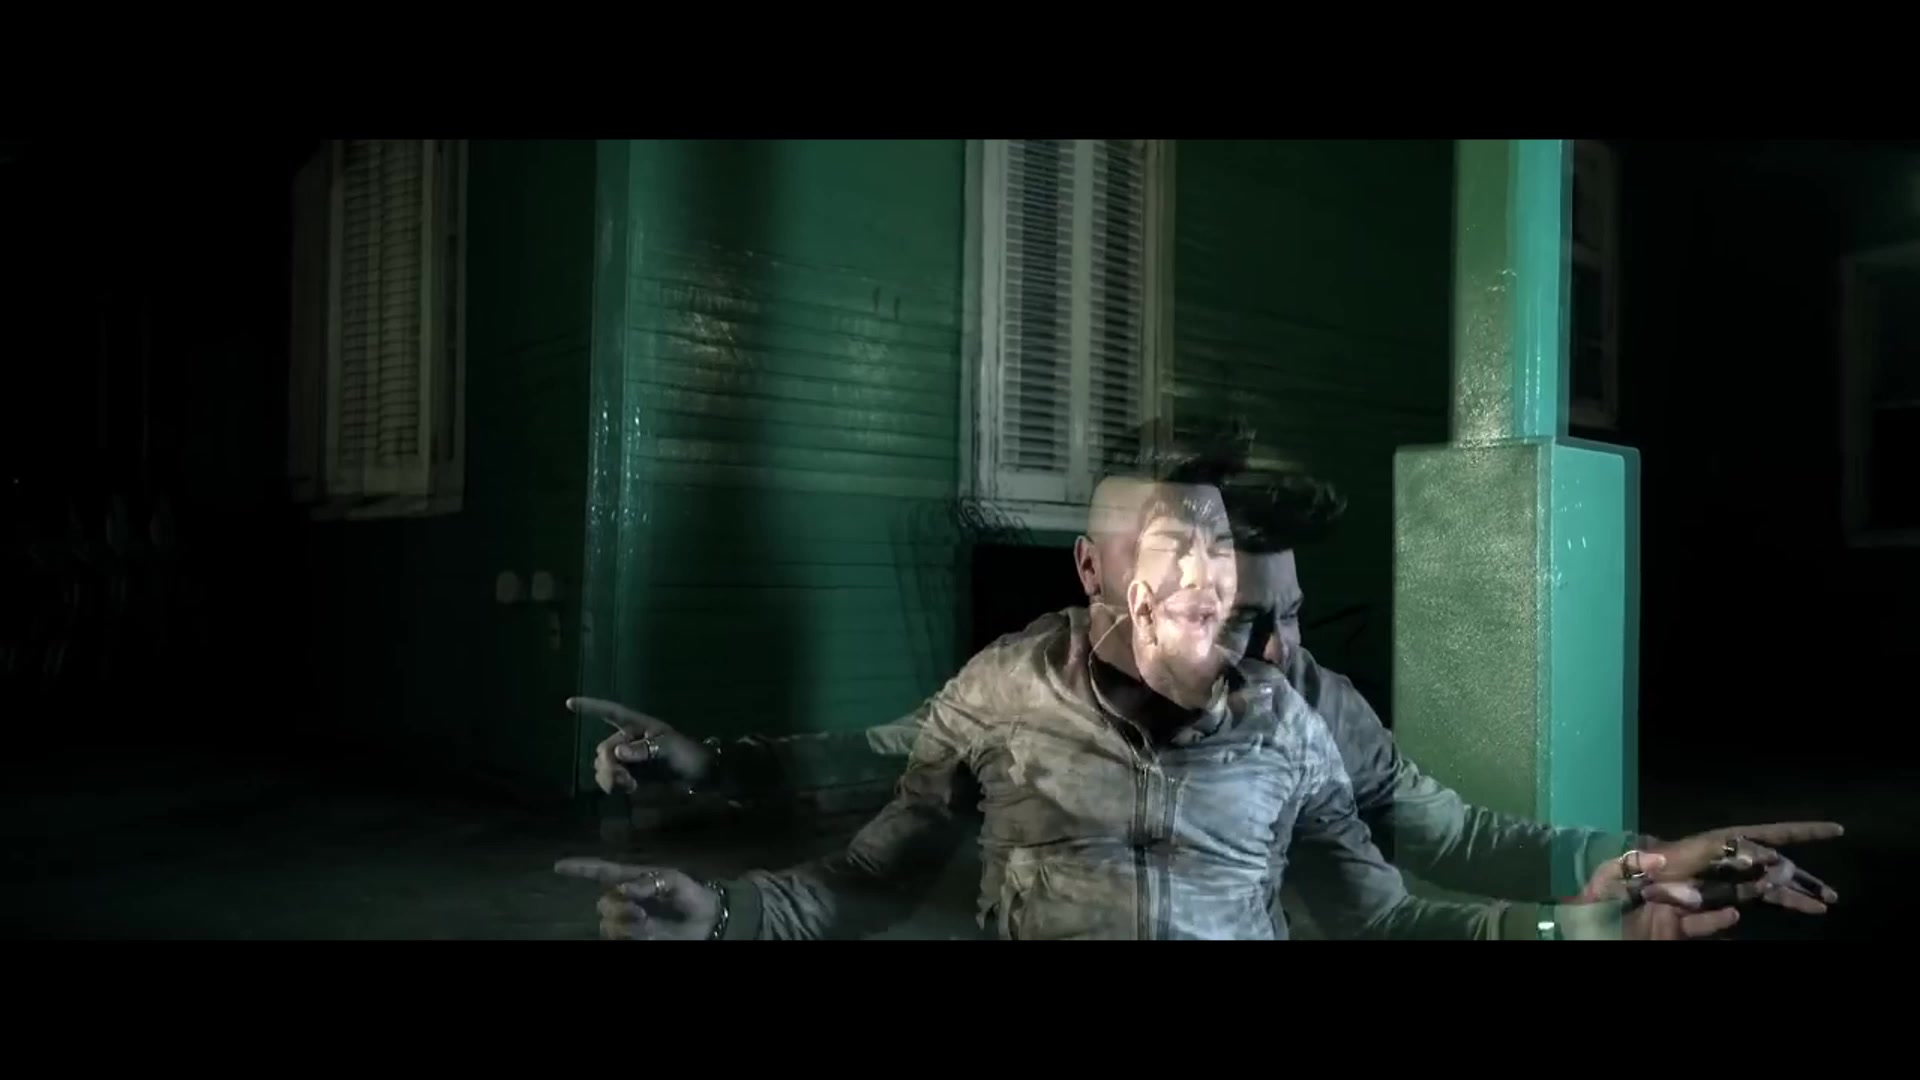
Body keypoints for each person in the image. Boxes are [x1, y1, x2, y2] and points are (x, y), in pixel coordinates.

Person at [555, 464, 1748, 940]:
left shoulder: (1312, 710)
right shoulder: (1015, 686)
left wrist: (1613, 874)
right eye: (1235, 616)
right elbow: (881, 784)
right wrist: (715, 778)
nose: (1270, 646)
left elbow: (1450, 847)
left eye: (1285, 615)